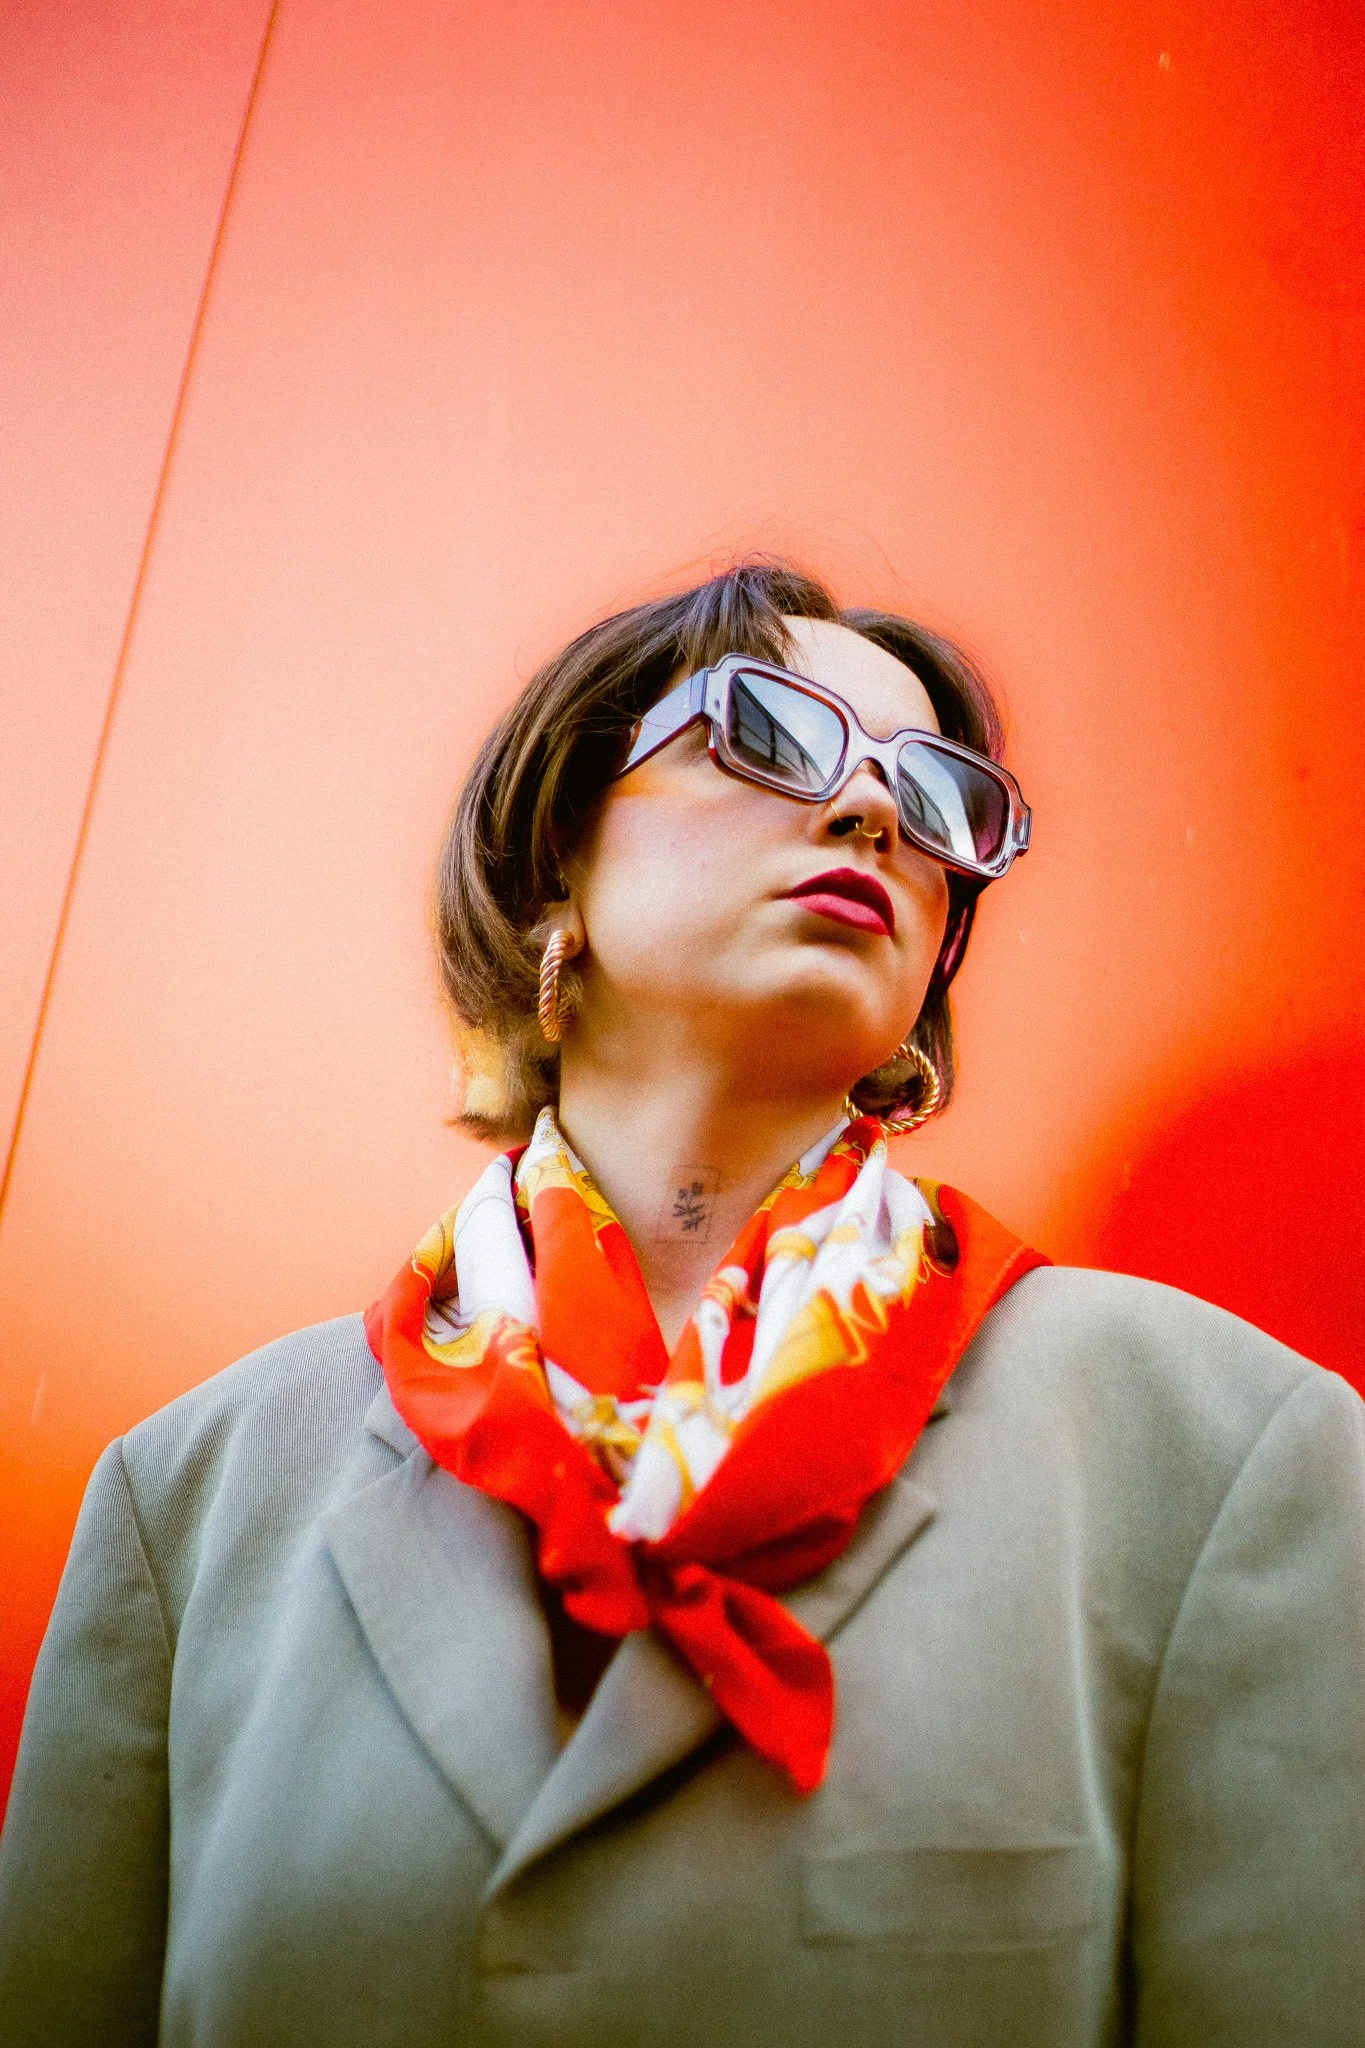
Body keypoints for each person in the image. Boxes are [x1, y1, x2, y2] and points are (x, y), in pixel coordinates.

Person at [1, 561, 1361, 2047]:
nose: (872, 816)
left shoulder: (1223, 1454)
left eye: (935, 795)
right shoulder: (194, 1502)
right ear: (559, 858)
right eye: (771, 734)